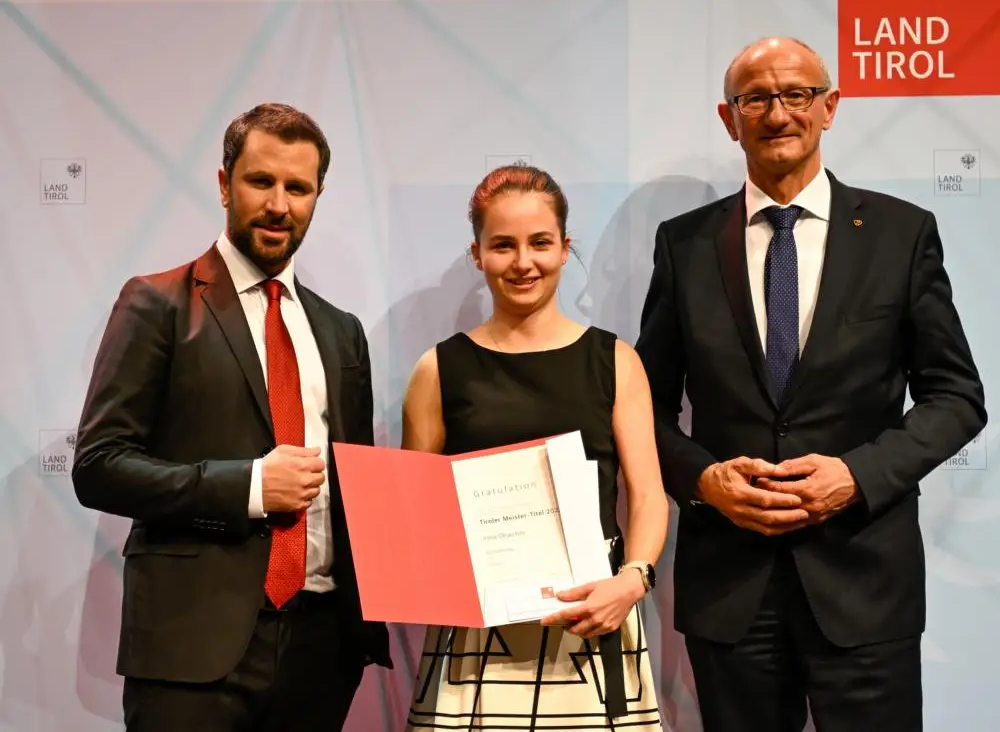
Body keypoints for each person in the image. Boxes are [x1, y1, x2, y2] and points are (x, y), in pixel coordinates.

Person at [634, 36, 986, 732]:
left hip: (864, 584)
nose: (777, 113)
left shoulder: (900, 234)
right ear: (728, 117)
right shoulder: (685, 245)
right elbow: (639, 405)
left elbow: (956, 397)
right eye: (755, 98)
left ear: (830, 107)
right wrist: (704, 482)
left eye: (796, 94)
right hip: (730, 589)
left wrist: (856, 476)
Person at [72, 102, 391, 731]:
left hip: (321, 646)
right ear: (224, 185)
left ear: (317, 196)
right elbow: (99, 466)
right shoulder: (156, 303)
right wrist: (248, 485)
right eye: (261, 181)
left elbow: (356, 483)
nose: (279, 204)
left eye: (298, 188)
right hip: (192, 652)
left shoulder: (342, 331)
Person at [401, 165, 669, 730]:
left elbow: (647, 496)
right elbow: (414, 520)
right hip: (475, 634)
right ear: (478, 254)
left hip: (593, 617)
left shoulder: (615, 361)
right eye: (503, 245)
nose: (524, 263)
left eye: (540, 243)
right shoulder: (438, 370)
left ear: (565, 248)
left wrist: (633, 580)